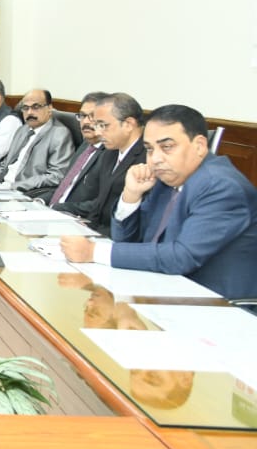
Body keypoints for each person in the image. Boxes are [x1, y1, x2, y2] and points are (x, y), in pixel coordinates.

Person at [60, 104, 257, 299]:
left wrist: (93, 252)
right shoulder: (167, 181)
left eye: (167, 147)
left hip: (215, 304)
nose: (155, 159)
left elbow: (182, 257)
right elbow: (129, 242)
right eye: (149, 149)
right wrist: (131, 196)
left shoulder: (221, 186)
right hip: (162, 289)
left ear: (199, 146)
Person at [56, 92, 146, 233]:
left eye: (103, 125)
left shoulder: (147, 159)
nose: (97, 132)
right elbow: (100, 205)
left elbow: (139, 221)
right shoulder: (109, 153)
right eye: (97, 125)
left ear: (128, 124)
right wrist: (87, 229)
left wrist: (94, 238)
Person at [0, 89, 74, 198]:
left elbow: (56, 176)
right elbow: (5, 163)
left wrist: (14, 186)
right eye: (25, 108)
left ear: (49, 108)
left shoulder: (59, 134)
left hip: (23, 193)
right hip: (0, 189)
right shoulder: (23, 130)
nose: (29, 112)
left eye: (36, 107)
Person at [49, 91, 109, 209]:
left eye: (92, 116)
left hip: (74, 215)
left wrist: (57, 208)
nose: (85, 121)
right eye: (82, 115)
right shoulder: (85, 145)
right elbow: (63, 188)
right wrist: (40, 201)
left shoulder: (110, 154)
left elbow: (100, 205)